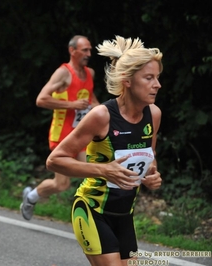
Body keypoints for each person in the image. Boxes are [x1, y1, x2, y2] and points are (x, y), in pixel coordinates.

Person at [46, 35, 163, 265]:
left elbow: (150, 157)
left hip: (125, 216)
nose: (157, 84)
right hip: (92, 210)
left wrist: (151, 174)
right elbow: (54, 160)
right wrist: (103, 170)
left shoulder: (154, 114)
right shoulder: (102, 115)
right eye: (149, 78)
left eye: (157, 77)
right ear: (127, 80)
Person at [20, 35, 100, 220]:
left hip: (80, 134)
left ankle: (92, 219)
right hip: (62, 135)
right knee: (61, 184)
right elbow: (41, 99)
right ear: (72, 51)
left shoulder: (90, 73)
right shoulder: (63, 73)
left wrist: (101, 110)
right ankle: (31, 197)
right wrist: (72, 105)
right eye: (85, 50)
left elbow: (91, 99)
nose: (89, 54)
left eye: (90, 50)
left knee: (93, 173)